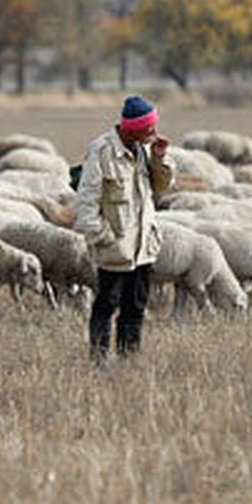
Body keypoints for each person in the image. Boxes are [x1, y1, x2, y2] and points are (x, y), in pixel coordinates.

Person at [74, 95, 174, 360]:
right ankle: (99, 359)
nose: (154, 131)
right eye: (149, 126)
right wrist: (102, 237)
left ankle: (129, 358)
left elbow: (161, 188)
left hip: (142, 245)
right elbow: (86, 200)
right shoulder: (102, 150)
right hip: (115, 246)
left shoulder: (143, 150)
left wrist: (159, 159)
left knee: (136, 306)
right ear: (132, 127)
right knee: (107, 304)